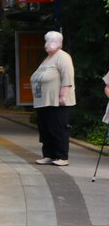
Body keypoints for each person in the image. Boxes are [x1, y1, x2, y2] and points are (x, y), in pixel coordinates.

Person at [30, 30, 76, 166]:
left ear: (56, 42)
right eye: (46, 41)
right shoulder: (47, 58)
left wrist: (63, 95)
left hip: (56, 102)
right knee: (45, 129)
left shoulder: (63, 57)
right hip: (44, 102)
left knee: (58, 129)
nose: (46, 44)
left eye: (48, 41)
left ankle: (62, 156)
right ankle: (48, 154)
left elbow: (67, 76)